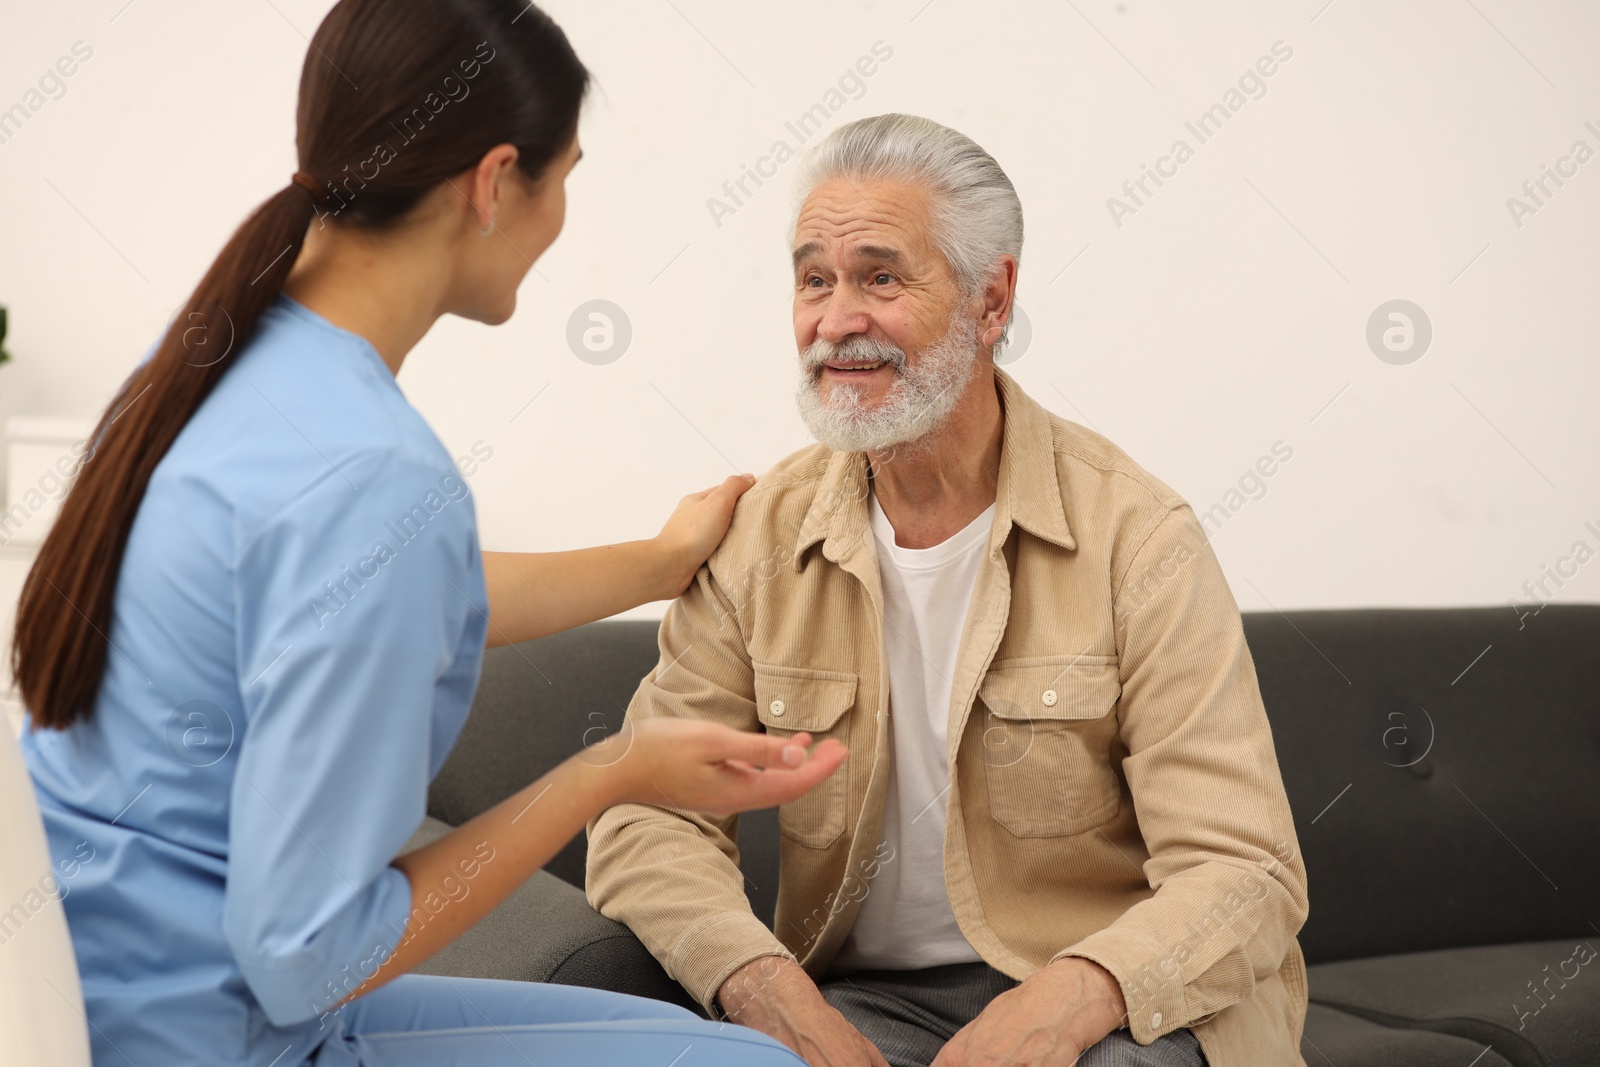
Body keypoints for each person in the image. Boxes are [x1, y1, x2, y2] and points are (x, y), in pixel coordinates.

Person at [11, 2, 844, 1064]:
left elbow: (367, 594)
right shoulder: (374, 471)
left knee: (680, 1040)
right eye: (565, 176)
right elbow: (306, 958)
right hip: (210, 1029)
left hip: (103, 978)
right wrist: (607, 771)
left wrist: (658, 561)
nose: (561, 218)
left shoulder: (216, 362)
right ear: (494, 182)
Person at [586, 114, 1311, 1067]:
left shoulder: (1140, 537)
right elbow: (648, 812)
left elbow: (1243, 866)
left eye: (880, 276)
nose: (836, 320)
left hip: (1115, 1000)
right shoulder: (762, 535)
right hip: (862, 1000)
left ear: (990, 299)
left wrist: (1070, 999)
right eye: (815, 279)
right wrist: (769, 993)